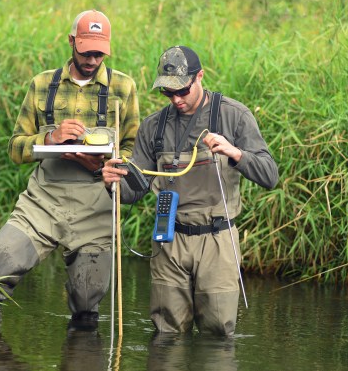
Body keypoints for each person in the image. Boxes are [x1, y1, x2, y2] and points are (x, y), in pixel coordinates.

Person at [0, 10, 140, 327]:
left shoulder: (123, 88)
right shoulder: (42, 84)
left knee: (87, 307)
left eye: (99, 53)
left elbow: (132, 152)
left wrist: (105, 166)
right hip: (42, 203)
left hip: (96, 206)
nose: (91, 59)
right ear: (71, 41)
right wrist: (51, 137)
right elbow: (15, 148)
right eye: (86, 50)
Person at [102, 45, 278, 336]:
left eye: (182, 90)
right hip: (169, 239)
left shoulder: (234, 116)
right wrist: (113, 182)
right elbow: (134, 193)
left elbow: (269, 175)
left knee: (218, 335)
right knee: (166, 334)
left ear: (200, 77)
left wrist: (235, 153)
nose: (176, 99)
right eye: (168, 93)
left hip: (217, 240)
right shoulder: (153, 127)